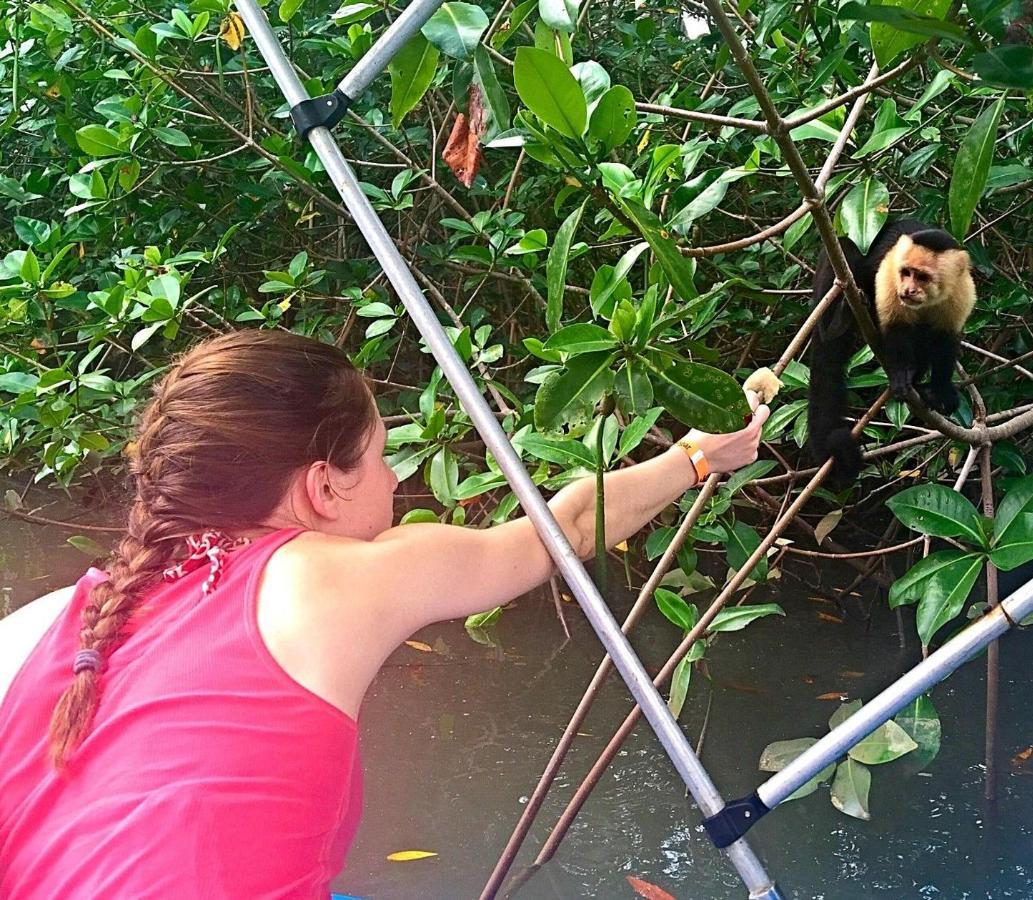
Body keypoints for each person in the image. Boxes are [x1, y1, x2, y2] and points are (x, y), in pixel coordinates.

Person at [0, 329, 769, 899]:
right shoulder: (338, 579)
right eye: (379, 454)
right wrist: (698, 458)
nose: (396, 477)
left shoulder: (41, 625)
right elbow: (560, 532)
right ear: (323, 488)